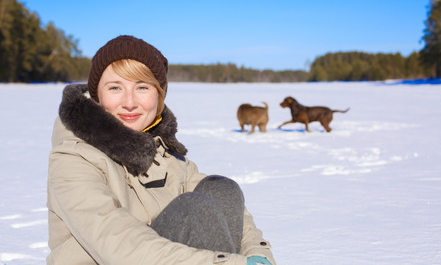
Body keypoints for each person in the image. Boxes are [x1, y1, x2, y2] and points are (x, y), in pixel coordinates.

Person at [47, 35, 276, 265]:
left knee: (222, 189)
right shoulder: (73, 158)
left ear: (159, 96)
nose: (129, 102)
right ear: (97, 95)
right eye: (115, 87)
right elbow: (116, 241)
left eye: (142, 87)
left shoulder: (162, 151)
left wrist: (256, 253)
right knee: (194, 211)